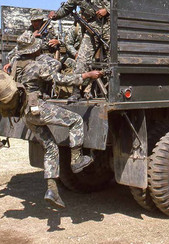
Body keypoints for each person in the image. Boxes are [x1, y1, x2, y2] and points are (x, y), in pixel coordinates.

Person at [15, 33, 103, 208]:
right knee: (76, 120)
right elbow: (60, 79)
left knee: (50, 147)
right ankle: (76, 160)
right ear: (33, 50)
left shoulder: (17, 66)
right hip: (36, 107)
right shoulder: (35, 66)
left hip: (25, 113)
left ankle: (52, 190)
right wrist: (86, 76)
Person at [48, 0, 110, 103]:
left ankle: (112, 91)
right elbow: (66, 9)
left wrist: (107, 9)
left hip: (108, 27)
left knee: (112, 60)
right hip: (91, 30)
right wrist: (55, 15)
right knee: (81, 60)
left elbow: (119, 0)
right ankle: (76, 92)